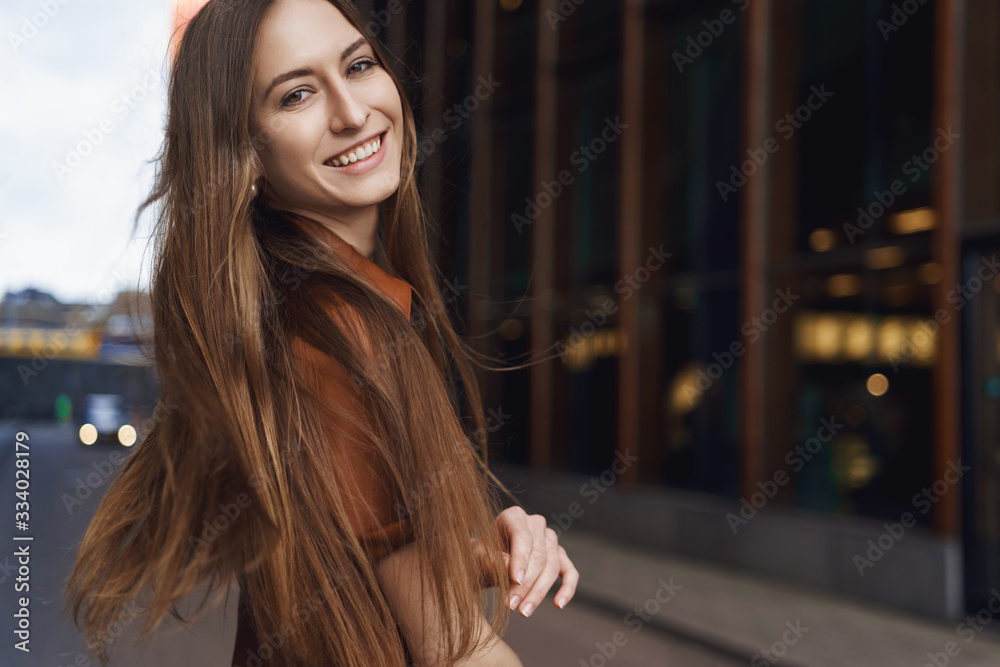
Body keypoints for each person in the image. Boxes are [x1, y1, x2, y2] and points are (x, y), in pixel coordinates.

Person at [63, 0, 579, 665]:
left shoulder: (306, 318)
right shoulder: (337, 334)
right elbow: (457, 652)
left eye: (359, 64)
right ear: (243, 154)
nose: (352, 112)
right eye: (297, 94)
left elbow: (361, 558)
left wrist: (472, 550)